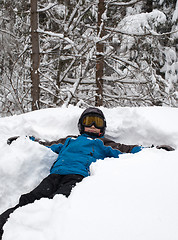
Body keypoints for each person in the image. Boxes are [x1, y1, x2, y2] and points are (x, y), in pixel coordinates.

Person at [0, 107, 174, 239]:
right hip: (54, 176)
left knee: (57, 203)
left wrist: (154, 150)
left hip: (77, 178)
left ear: (102, 128)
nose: (92, 125)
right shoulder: (69, 140)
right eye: (89, 121)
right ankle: (5, 224)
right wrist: (26, 141)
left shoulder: (104, 144)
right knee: (30, 199)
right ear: (81, 125)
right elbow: (46, 145)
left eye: (96, 123)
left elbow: (128, 150)